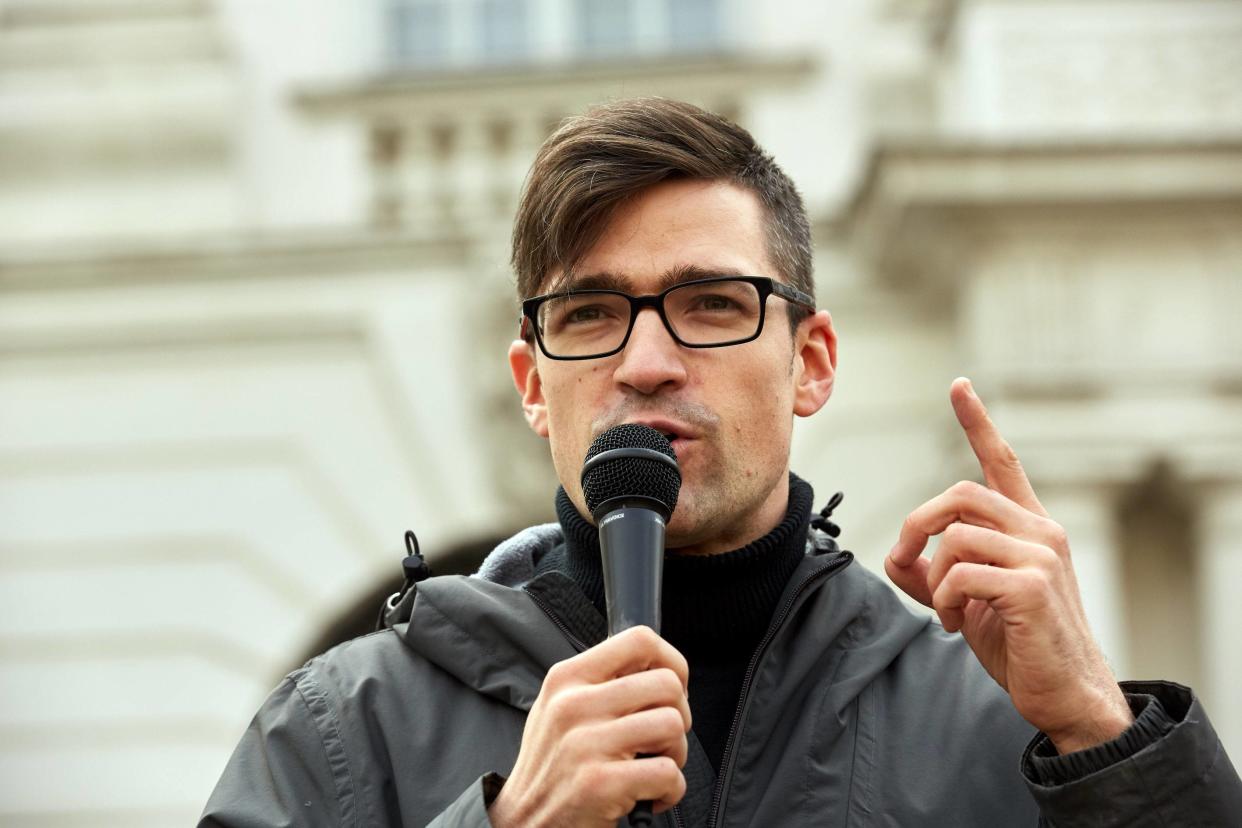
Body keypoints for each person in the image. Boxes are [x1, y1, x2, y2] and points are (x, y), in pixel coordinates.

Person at [200, 98, 1241, 827]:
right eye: (592, 314)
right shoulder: (344, 729)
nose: (646, 363)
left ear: (811, 362)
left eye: (710, 304)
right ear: (531, 381)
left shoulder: (1000, 728)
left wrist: (1107, 742)